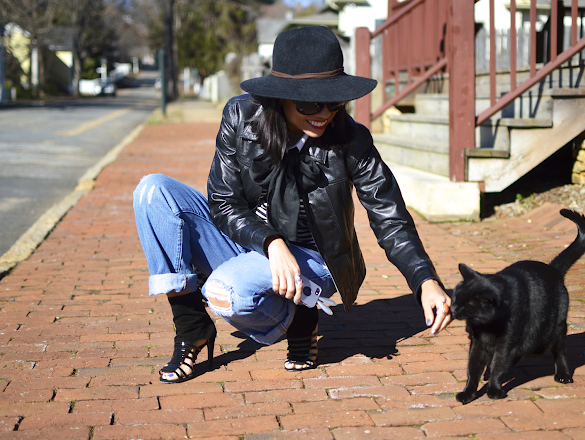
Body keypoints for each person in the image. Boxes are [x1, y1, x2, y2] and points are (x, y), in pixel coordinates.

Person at [133, 25, 452, 384]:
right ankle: (192, 328)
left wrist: (425, 280)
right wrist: (271, 242)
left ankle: (302, 318)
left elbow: (389, 216)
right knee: (152, 192)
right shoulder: (241, 118)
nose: (325, 113)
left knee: (225, 293)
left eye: (334, 101)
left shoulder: (352, 140)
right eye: (310, 103)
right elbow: (222, 202)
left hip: (315, 259)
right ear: (280, 97)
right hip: (254, 243)